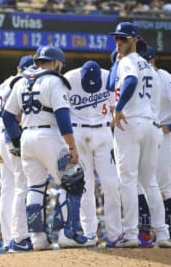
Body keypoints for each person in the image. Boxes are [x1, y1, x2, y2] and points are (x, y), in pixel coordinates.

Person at [2, 46, 90, 250]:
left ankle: (38, 238)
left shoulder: (21, 80)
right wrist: (72, 146)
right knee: (73, 179)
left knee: (35, 186)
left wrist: (17, 140)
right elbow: (62, 116)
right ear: (57, 63)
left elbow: (7, 116)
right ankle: (67, 233)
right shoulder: (54, 80)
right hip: (49, 135)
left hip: (27, 137)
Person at [107, 22, 171, 248]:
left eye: (123, 38)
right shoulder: (149, 67)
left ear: (134, 40)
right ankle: (164, 235)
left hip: (131, 123)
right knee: (150, 183)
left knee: (127, 181)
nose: (119, 42)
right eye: (117, 38)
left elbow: (130, 81)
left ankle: (129, 234)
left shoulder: (129, 62)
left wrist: (118, 109)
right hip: (151, 127)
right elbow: (111, 83)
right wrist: (116, 61)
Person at [63, 60, 122, 246]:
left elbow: (115, 109)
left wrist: (104, 128)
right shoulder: (68, 79)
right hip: (78, 133)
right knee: (85, 186)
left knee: (111, 184)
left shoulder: (108, 77)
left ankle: (116, 234)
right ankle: (90, 234)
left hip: (103, 132)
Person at [136, 45, 171, 245]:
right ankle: (148, 232)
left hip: (166, 135)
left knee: (164, 186)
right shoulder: (142, 79)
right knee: (143, 184)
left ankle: (168, 234)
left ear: (150, 60)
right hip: (149, 134)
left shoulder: (164, 76)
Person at [0, 55, 34, 252]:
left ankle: (8, 240)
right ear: (20, 69)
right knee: (20, 186)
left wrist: (0, 127)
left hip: (0, 137)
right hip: (10, 138)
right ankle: (18, 238)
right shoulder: (23, 82)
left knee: (8, 189)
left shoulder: (5, 83)